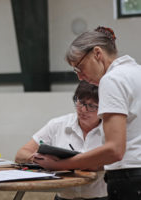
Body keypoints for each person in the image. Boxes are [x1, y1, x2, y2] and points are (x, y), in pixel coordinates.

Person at [34, 26, 141, 200]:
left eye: (80, 67)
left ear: (97, 53)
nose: (80, 77)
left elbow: (115, 150)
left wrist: (60, 165)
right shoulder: (137, 72)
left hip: (130, 179)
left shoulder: (112, 79)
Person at [15, 81, 107, 200]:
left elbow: (122, 159)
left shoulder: (111, 128)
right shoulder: (58, 125)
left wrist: (97, 166)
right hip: (64, 197)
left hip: (101, 196)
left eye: (91, 106)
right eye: (80, 102)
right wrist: (37, 158)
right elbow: (21, 154)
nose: (83, 110)